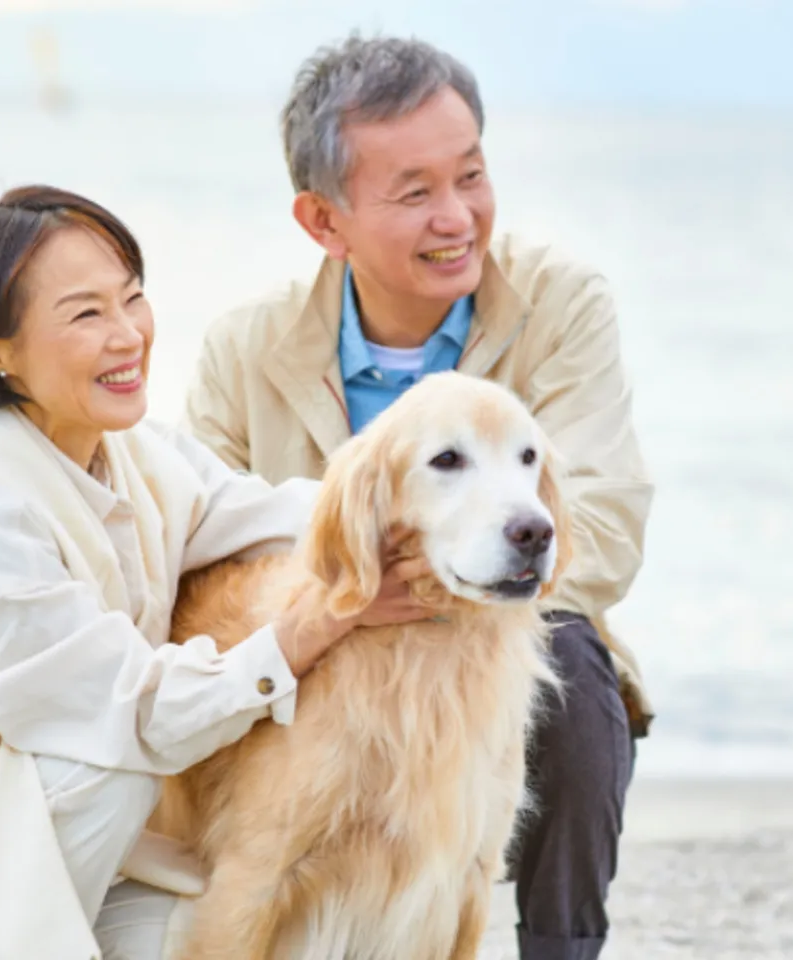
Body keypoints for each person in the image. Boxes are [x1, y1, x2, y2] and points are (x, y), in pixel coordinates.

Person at [0, 185, 432, 960]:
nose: (128, 335)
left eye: (132, 299)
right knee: (114, 765)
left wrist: (425, 512)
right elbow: (143, 716)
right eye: (86, 314)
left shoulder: (134, 454)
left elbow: (275, 514)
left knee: (228, 931)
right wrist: (315, 623)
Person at [183, 34, 656, 960]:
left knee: (579, 682)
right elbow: (196, 551)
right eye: (415, 193)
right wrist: (354, 598)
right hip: (314, 660)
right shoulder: (246, 351)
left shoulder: (561, 305)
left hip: (503, 650)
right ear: (325, 221)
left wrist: (443, 589)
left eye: (471, 175)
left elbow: (601, 523)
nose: (458, 217)